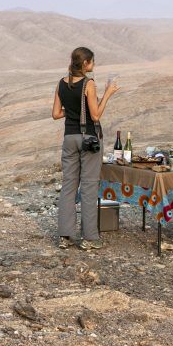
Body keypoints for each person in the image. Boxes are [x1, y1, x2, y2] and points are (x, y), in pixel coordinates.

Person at [51, 47, 120, 250]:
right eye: (93, 62)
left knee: (68, 186)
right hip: (88, 139)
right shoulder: (88, 84)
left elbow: (55, 113)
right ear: (86, 64)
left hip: (69, 138)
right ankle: (89, 238)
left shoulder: (60, 83)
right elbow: (96, 115)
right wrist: (107, 94)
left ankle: (65, 236)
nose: (94, 65)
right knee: (89, 187)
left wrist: (72, 111)